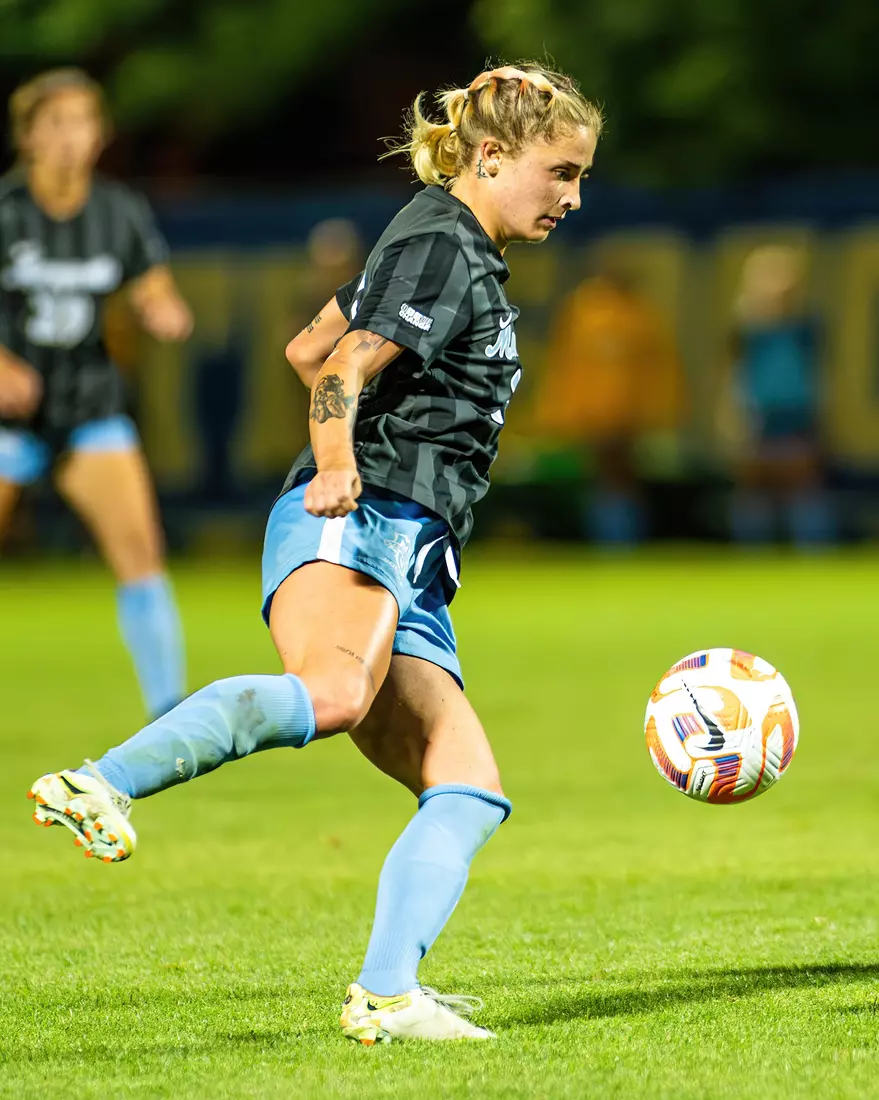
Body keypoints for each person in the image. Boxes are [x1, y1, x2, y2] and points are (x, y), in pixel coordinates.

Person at [27, 63, 601, 1044]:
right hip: (363, 515)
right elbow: (337, 369)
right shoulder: (446, 249)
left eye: (582, 176)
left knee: (468, 784)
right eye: (561, 172)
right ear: (494, 157)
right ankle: (102, 779)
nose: (574, 197)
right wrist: (338, 463)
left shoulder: (432, 238)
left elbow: (309, 343)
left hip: (409, 544)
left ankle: (387, 993)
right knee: (332, 694)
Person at [0, 69, 193, 718]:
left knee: (141, 552)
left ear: (100, 135)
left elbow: (151, 285)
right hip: (8, 418)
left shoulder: (118, 211)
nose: (69, 138)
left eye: (82, 122)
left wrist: (162, 309)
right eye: (54, 123)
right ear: (27, 137)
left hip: (88, 408)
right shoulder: (6, 211)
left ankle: (170, 717)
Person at [533, 257, 684, 544]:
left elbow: (657, 368)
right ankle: (608, 538)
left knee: (623, 477)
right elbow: (566, 366)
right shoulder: (583, 311)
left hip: (628, 413)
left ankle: (624, 537)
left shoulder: (640, 314)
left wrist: (657, 409)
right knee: (603, 477)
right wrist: (564, 411)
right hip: (594, 413)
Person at [721, 245, 835, 546]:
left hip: (797, 414)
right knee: (754, 485)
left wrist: (821, 413)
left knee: (803, 484)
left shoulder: (806, 326)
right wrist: (733, 415)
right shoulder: (746, 329)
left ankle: (814, 551)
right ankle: (751, 551)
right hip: (757, 414)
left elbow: (818, 374)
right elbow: (734, 374)